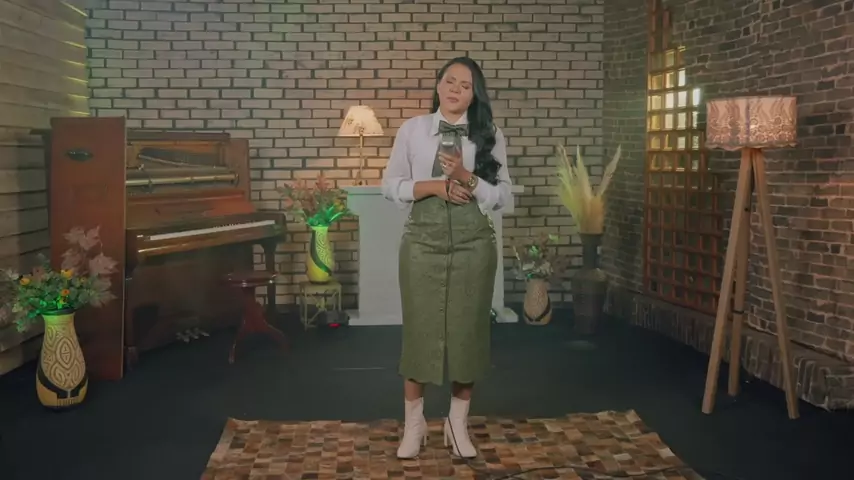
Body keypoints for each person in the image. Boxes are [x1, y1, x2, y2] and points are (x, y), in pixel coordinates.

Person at [381, 56, 514, 459]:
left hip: (475, 245)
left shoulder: (489, 134)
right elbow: (390, 186)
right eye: (450, 81)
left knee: (468, 335)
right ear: (438, 85)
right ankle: (415, 425)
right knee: (419, 333)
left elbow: (503, 197)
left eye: (465, 85)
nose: (456, 89)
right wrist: (434, 186)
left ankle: (457, 426)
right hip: (422, 243)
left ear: (474, 95)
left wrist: (465, 177)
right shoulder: (413, 129)